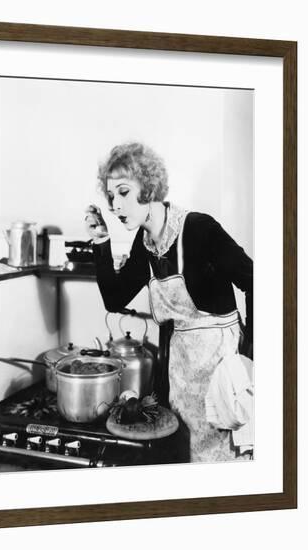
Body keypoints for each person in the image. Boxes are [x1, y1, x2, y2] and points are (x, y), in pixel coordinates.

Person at [85, 142, 253, 463]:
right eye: (111, 196)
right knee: (186, 454)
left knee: (221, 461)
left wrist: (249, 358)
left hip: (221, 370)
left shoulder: (199, 229)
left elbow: (255, 280)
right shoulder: (146, 241)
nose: (115, 205)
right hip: (180, 373)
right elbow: (115, 298)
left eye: (123, 192)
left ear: (148, 187)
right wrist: (101, 241)